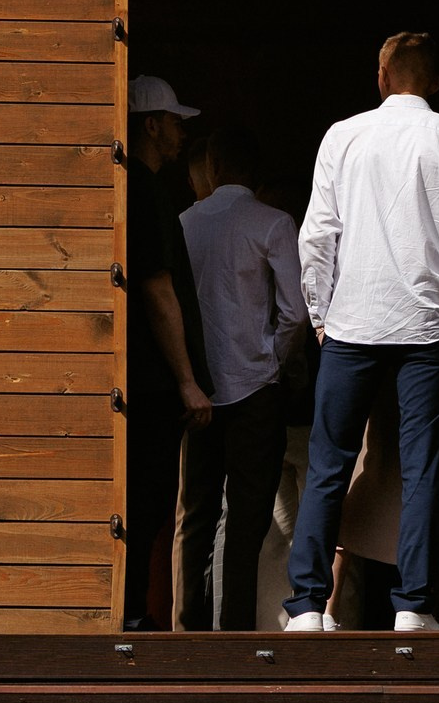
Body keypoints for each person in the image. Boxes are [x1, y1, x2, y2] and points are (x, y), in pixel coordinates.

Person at [283, 32, 439, 634]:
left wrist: (321, 313)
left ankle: (305, 607)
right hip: (427, 325)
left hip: (352, 321)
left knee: (328, 462)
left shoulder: (343, 136)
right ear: (435, 82)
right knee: (422, 467)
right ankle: (413, 606)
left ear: (381, 76)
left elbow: (317, 235)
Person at [175, 122, 307, 629]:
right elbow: (295, 311)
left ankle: (189, 629)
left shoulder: (185, 222)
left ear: (211, 166)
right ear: (255, 172)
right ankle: (232, 630)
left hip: (198, 387)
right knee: (247, 516)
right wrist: (271, 358)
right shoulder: (272, 223)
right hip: (255, 388)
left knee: (198, 514)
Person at [124, 74, 209, 629]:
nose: (181, 134)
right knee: (147, 503)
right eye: (175, 122)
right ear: (152, 125)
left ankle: (132, 612)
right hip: (154, 382)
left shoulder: (134, 184)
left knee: (148, 505)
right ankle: (131, 616)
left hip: (148, 379)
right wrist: (185, 379)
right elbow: (157, 291)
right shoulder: (147, 189)